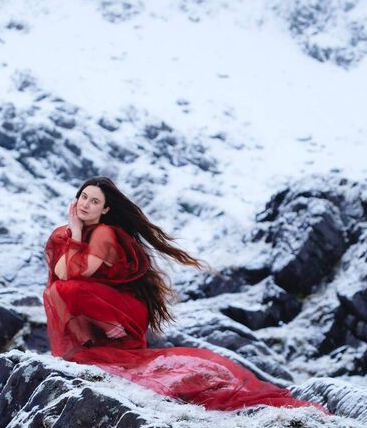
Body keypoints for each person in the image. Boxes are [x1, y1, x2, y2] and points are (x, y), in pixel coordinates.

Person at [43, 177, 325, 413]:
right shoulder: (63, 234)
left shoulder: (103, 233)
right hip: (102, 302)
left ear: (105, 210)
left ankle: (109, 334)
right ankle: (94, 343)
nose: (86, 204)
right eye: (84, 197)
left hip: (123, 310)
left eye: (95, 201)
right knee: (57, 291)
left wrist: (77, 234)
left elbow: (74, 273)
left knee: (66, 289)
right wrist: (74, 233)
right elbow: (60, 270)